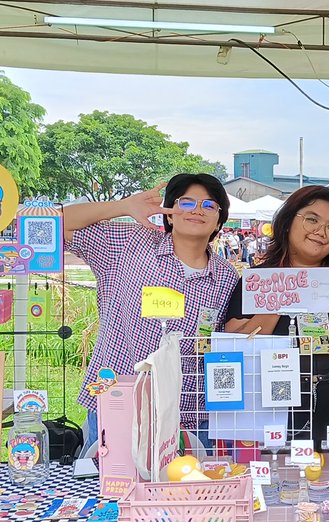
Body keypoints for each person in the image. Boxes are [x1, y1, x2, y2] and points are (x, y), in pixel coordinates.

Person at [64, 173, 237, 453]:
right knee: (114, 488)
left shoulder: (226, 277)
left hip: (189, 415)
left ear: (219, 220)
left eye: (209, 205)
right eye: (186, 202)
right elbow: (57, 223)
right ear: (169, 214)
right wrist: (123, 206)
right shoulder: (129, 244)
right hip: (119, 400)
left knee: (186, 490)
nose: (196, 210)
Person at [224, 186, 329, 449]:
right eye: (312, 219)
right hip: (275, 403)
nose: (321, 231)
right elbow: (235, 344)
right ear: (287, 221)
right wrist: (279, 297)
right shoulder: (259, 279)